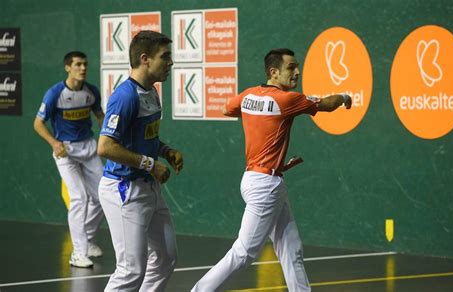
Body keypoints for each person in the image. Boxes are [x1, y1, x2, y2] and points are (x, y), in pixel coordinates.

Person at [191, 48, 352, 292]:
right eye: (291, 67)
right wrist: (344, 96)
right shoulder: (287, 100)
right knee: (244, 253)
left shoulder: (248, 95)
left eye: (297, 66)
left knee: (291, 247)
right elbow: (326, 105)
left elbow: (227, 108)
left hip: (258, 181)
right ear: (274, 72)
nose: (297, 72)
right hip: (265, 185)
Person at [97, 30, 183, 291]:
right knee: (131, 270)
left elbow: (146, 137)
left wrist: (166, 151)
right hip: (124, 189)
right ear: (145, 59)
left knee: (166, 258)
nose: (170, 62)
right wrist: (150, 164)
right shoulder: (125, 96)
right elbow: (105, 147)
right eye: (165, 56)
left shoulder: (152, 92)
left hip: (149, 188)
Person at [33, 51, 105, 268]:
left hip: (89, 147)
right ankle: (78, 253)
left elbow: (100, 115)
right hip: (65, 152)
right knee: (79, 198)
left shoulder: (91, 92)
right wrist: (54, 143)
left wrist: (107, 138)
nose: (82, 68)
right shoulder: (55, 93)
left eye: (85, 64)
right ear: (68, 67)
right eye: (78, 65)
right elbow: (38, 124)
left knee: (103, 195)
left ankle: (87, 239)